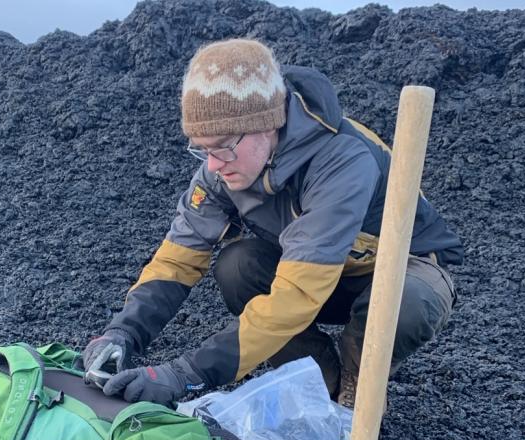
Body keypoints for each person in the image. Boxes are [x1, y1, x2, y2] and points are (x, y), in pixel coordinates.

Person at [83, 39, 462, 410]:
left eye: (222, 146)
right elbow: (176, 261)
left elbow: (295, 295)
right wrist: (124, 332)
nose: (212, 165)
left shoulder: (341, 160)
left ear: (266, 126)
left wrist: (185, 374)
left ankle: (358, 386)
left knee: (405, 300)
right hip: (315, 271)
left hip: (395, 270)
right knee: (237, 266)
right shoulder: (222, 170)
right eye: (201, 149)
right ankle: (320, 380)